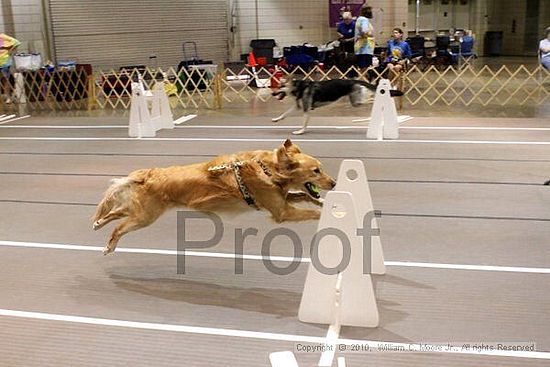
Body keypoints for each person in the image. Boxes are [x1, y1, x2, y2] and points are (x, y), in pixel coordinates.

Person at [0, 33, 21, 103]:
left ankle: (8, 97)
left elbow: (17, 42)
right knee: (4, 80)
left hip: (4, 62)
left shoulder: (2, 36)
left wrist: (10, 51)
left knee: (5, 79)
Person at [354, 5, 375, 72]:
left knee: (361, 68)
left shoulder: (359, 19)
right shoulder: (364, 19)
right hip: (365, 48)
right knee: (365, 68)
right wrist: (370, 35)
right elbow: (365, 30)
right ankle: (363, 81)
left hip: (359, 47)